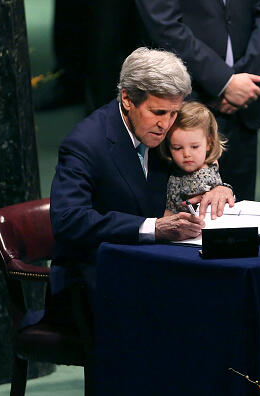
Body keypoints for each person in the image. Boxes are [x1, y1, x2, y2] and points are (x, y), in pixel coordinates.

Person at [49, 47, 235, 299]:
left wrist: (219, 188)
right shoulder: (85, 143)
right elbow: (69, 220)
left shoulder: (165, 119)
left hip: (155, 264)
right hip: (96, 278)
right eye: (158, 113)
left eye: (173, 114)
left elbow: (197, 155)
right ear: (127, 99)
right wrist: (153, 227)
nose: (166, 124)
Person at [134, 0, 260, 201]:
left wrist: (244, 80)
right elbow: (163, 22)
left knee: (241, 214)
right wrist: (225, 82)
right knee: (185, 219)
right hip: (185, 98)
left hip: (246, 98)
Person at [161, 101, 231, 216]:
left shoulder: (205, 177)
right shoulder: (172, 169)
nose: (187, 154)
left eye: (194, 147)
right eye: (177, 148)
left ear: (209, 143)